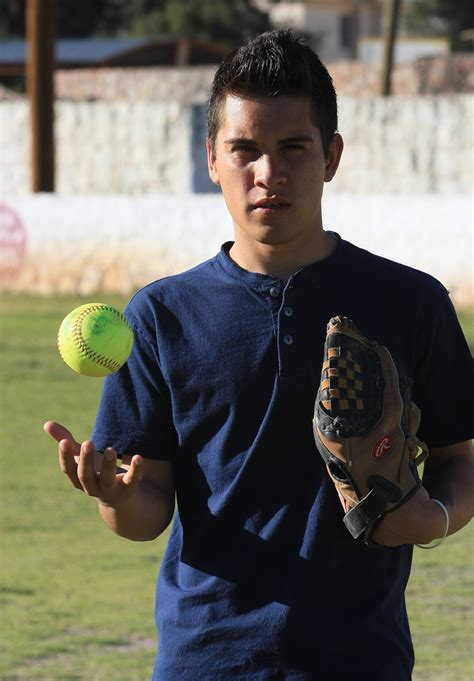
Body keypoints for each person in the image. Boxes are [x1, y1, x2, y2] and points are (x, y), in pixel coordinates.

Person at [44, 29, 473, 680]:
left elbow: (462, 463)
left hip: (362, 661)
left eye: (293, 148)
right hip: (206, 660)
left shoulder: (410, 302)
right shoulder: (160, 317)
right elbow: (143, 511)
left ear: (331, 155)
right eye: (244, 149)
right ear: (212, 157)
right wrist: (117, 496)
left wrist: (431, 516)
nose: (268, 173)